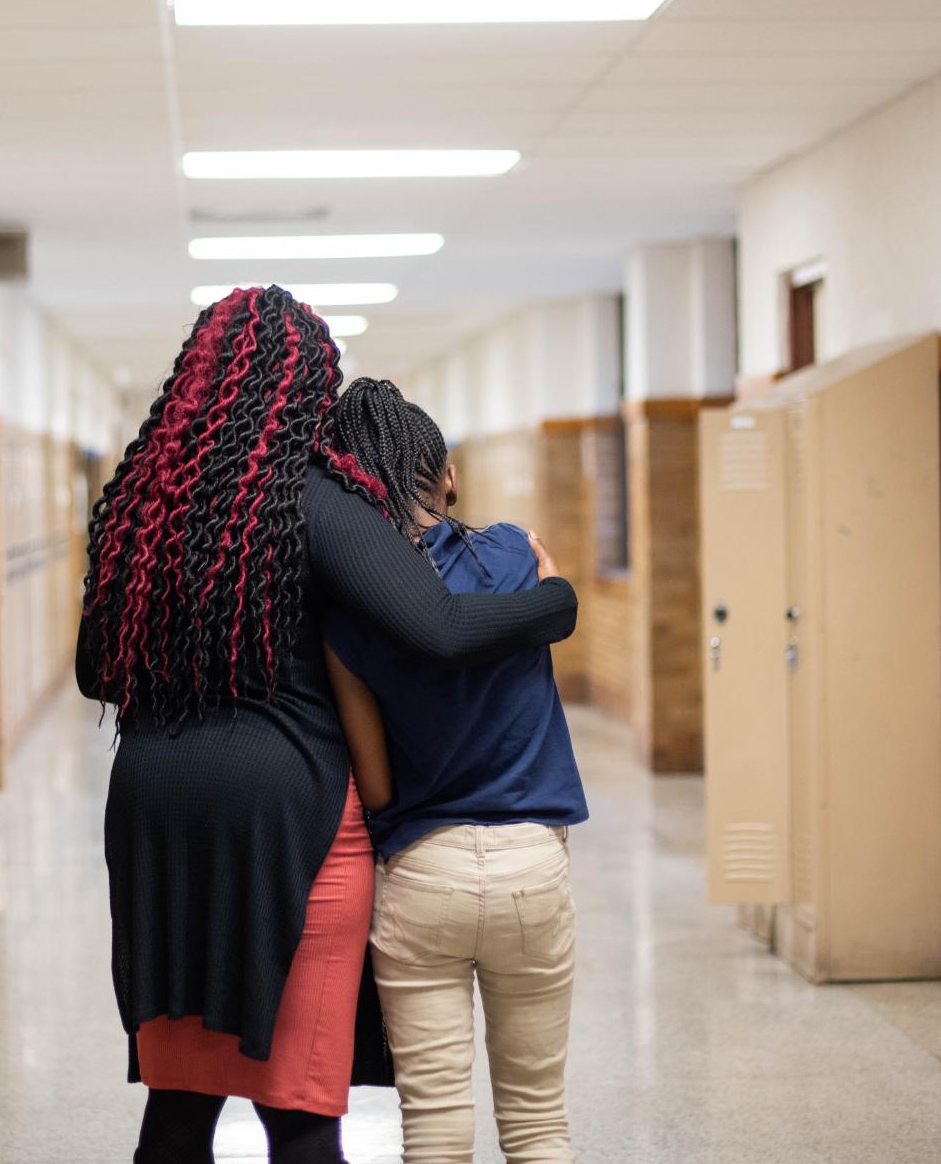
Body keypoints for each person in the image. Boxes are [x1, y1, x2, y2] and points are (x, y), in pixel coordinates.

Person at [75, 288, 580, 1164]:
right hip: (287, 814)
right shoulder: (314, 498)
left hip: (155, 812)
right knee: (299, 1107)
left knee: (179, 1104)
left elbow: (94, 671)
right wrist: (555, 601)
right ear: (308, 389)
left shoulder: (146, 501)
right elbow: (442, 629)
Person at [321, 378, 590, 1164]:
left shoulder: (347, 610)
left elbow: (374, 786)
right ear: (447, 477)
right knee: (540, 1122)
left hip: (422, 873)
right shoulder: (511, 552)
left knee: (436, 1123)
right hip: (532, 866)